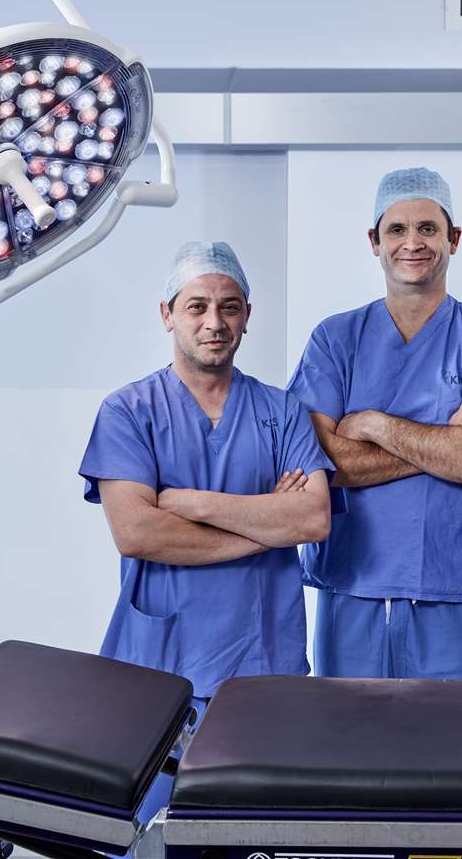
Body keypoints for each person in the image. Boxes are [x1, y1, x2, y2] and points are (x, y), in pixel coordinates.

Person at [79, 241, 333, 818]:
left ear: (247, 315)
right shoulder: (129, 411)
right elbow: (138, 532)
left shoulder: (281, 411)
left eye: (229, 307)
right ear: (167, 314)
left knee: (255, 829)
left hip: (262, 656)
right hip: (163, 659)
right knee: (142, 830)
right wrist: (267, 524)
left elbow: (312, 518)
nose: (214, 323)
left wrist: (193, 502)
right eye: (196, 307)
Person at [289, 167, 462, 680]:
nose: (412, 243)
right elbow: (320, 462)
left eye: (427, 229)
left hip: (458, 594)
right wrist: (447, 436)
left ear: (453, 239)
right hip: (352, 589)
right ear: (374, 242)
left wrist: (370, 422)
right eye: (396, 230)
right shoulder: (335, 339)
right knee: (351, 753)